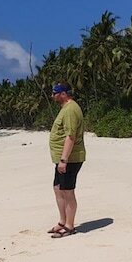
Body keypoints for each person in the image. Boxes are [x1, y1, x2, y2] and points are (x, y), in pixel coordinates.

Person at [46, 82, 85, 238]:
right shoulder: (66, 108)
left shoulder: (70, 110)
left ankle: (70, 226)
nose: (52, 96)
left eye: (55, 93)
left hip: (70, 159)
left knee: (68, 191)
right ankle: (62, 221)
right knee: (58, 188)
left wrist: (64, 160)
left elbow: (70, 136)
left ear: (63, 94)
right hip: (62, 159)